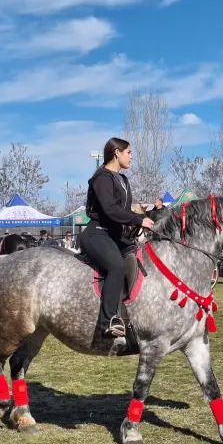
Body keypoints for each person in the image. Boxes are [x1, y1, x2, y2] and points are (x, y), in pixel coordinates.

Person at [78, 137, 154, 338]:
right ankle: (108, 320)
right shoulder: (102, 177)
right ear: (116, 153)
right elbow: (110, 210)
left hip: (115, 235)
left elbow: (122, 211)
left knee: (143, 257)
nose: (131, 156)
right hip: (97, 233)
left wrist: (141, 219)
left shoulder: (124, 180)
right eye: (129, 152)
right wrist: (138, 220)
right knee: (117, 266)